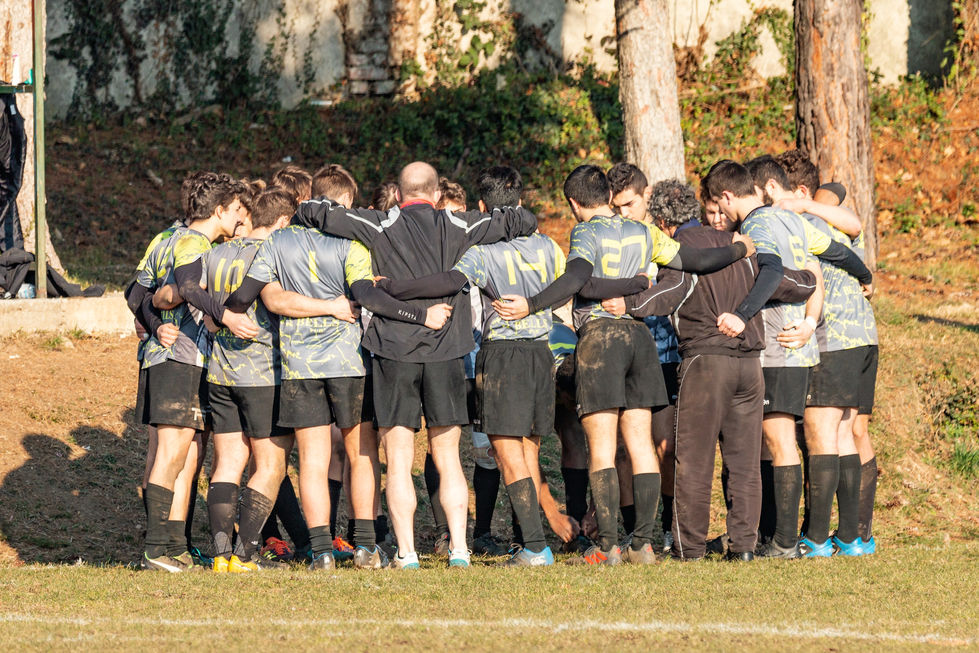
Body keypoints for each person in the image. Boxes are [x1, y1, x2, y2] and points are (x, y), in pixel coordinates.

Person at [495, 164, 755, 565]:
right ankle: (644, 543)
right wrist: (740, 248)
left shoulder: (585, 231)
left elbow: (577, 278)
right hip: (640, 339)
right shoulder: (643, 230)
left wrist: (531, 303)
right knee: (640, 443)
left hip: (601, 339)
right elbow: (695, 260)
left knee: (602, 446)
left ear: (574, 203)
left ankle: (609, 546)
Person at [292, 161, 539, 569]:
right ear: (438, 193)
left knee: (400, 458)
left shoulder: (376, 224)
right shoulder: (460, 225)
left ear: (399, 194)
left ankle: (407, 554)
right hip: (447, 353)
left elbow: (313, 211)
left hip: (394, 354)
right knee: (448, 455)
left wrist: (311, 210)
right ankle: (459, 549)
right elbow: (523, 220)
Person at [228, 164, 450, 570]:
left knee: (312, 460)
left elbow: (246, 294)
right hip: (349, 361)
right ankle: (365, 546)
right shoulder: (351, 242)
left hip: (300, 365)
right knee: (361, 451)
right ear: (344, 202)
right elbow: (367, 294)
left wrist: (230, 311)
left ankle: (322, 552)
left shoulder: (279, 241)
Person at [601, 179, 817, 561]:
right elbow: (791, 283)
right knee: (745, 462)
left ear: (664, 223)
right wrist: (811, 276)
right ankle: (745, 547)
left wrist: (628, 303)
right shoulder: (742, 244)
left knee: (694, 460)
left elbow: (671, 292)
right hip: (751, 366)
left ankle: (690, 547)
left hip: (706, 362)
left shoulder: (685, 249)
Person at [702, 158, 872, 559]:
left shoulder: (759, 225)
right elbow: (832, 255)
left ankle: (783, 541)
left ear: (727, 197)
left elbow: (772, 269)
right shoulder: (795, 223)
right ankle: (783, 537)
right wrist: (864, 276)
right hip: (803, 348)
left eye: (718, 206)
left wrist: (742, 315)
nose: (719, 216)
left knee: (780, 441)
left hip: (778, 345)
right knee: (787, 441)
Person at [130, 171, 251, 572]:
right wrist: (227, 317)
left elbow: (135, 294)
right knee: (172, 452)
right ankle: (154, 550)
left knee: (177, 453)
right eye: (235, 209)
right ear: (218, 209)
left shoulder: (165, 237)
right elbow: (190, 288)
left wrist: (150, 321)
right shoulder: (193, 242)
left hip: (159, 357)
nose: (238, 217)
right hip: (179, 359)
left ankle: (174, 546)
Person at [774, 150, 878, 556]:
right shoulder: (833, 217)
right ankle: (851, 538)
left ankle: (816, 539)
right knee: (842, 433)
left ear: (798, 192)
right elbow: (849, 214)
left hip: (834, 338)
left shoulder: (806, 221)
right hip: (863, 337)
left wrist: (798, 205)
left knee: (820, 434)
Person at [195, 188, 296, 572]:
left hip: (220, 373)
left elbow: (204, 310)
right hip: (262, 374)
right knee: (271, 465)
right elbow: (280, 303)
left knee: (228, 462)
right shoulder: (272, 253)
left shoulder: (218, 251)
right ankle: (245, 554)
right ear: (283, 221)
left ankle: (221, 556)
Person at [608, 162, 682, 552]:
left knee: (663, 445)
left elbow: (682, 281)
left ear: (647, 195)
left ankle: (666, 527)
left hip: (664, 353)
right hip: (620, 353)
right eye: (616, 207)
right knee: (621, 448)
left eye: (631, 204)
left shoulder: (659, 240)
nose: (625, 214)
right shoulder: (607, 239)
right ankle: (633, 530)